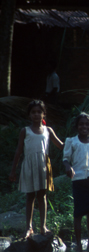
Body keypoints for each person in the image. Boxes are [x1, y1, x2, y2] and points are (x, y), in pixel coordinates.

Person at [9, 100, 64, 239]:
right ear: (29, 115)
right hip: (29, 165)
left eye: (39, 112)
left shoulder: (48, 130)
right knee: (30, 196)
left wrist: (76, 142)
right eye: (33, 112)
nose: (36, 114)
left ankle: (43, 226)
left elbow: (61, 145)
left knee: (42, 196)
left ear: (44, 114)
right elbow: (18, 151)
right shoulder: (25, 131)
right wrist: (13, 170)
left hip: (43, 165)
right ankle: (29, 227)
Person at [63, 113, 89, 252]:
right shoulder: (71, 141)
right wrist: (68, 167)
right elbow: (66, 158)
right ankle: (79, 244)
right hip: (79, 179)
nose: (84, 126)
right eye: (81, 124)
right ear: (77, 126)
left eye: (87, 124)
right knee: (78, 213)